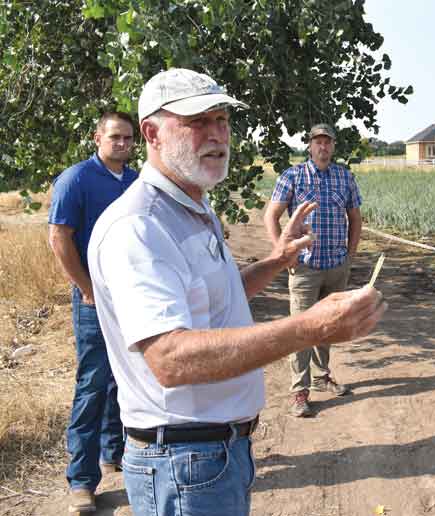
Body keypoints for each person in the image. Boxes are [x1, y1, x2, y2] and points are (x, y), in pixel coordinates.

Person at [87, 68, 386, 516]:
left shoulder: (192, 204)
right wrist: (311, 327)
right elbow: (169, 358)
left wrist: (276, 260)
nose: (216, 134)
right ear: (151, 133)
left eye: (222, 120)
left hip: (216, 453)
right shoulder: (139, 226)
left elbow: (217, 295)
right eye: (197, 121)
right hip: (183, 460)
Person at [48, 111, 138, 514]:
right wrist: (87, 288)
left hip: (132, 298)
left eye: (128, 138)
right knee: (93, 385)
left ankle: (113, 453)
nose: (122, 143)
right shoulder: (76, 179)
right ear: (97, 138)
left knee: (126, 379)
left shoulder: (136, 181)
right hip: (94, 301)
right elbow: (59, 239)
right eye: (115, 137)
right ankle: (82, 482)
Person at [264, 123, 363, 417]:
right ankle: (300, 391)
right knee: (301, 329)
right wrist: (284, 255)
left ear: (333, 146)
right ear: (309, 146)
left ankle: (322, 376)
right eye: (318, 142)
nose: (323, 146)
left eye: (327, 142)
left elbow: (355, 217)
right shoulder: (292, 176)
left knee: (329, 326)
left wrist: (350, 255)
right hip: (305, 267)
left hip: (336, 266)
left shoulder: (344, 176)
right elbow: (271, 216)